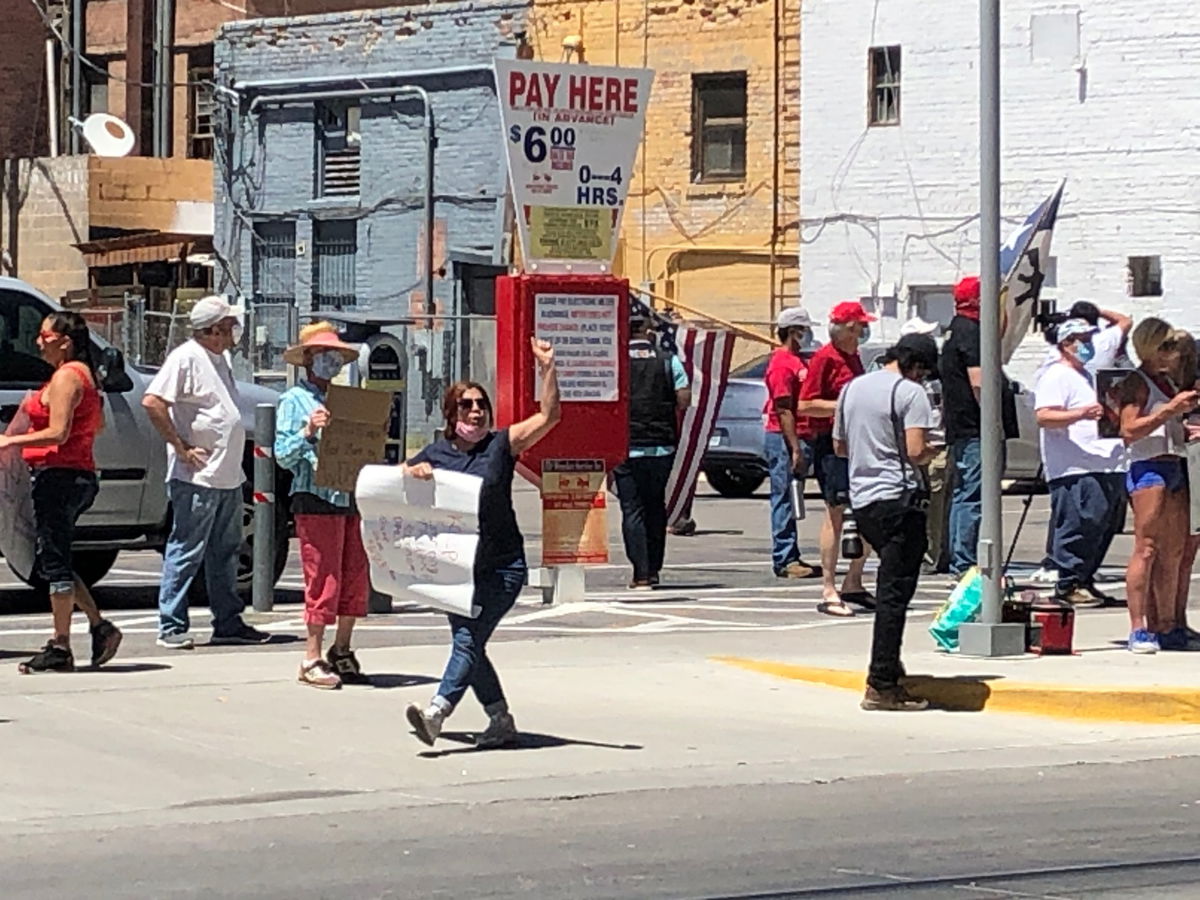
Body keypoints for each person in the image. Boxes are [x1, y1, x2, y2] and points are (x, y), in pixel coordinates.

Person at [404, 338, 560, 748]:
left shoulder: (500, 446)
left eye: (481, 405)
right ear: (451, 413)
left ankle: (437, 712)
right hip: (456, 570)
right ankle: (500, 719)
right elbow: (391, 487)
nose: (476, 411)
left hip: (501, 568)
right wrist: (412, 472)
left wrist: (547, 369)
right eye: (467, 405)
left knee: (469, 640)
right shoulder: (436, 453)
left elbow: (549, 415)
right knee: (471, 645)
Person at [142, 295, 271, 649]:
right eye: (229, 324)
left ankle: (228, 621)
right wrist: (180, 446)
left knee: (225, 550)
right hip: (197, 477)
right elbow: (153, 402)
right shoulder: (185, 358)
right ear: (213, 329)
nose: (234, 330)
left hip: (227, 476)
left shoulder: (221, 359)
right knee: (186, 548)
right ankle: (171, 624)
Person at [0, 312, 123, 672]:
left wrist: (11, 440)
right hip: (69, 474)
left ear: (64, 341)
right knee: (56, 559)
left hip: (61, 476)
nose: (38, 342)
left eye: (44, 335)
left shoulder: (69, 376)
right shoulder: (79, 376)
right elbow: (96, 425)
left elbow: (59, 433)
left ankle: (61, 645)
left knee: (53, 564)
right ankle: (100, 628)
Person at [833, 333, 939, 711]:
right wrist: (932, 452)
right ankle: (881, 681)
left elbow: (840, 447)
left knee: (889, 586)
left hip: (863, 499)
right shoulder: (911, 394)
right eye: (924, 372)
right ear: (916, 366)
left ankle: (890, 665)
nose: (924, 379)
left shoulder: (852, 389)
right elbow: (914, 450)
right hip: (898, 495)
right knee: (895, 594)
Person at [275, 322, 369, 689]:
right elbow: (282, 455)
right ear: (309, 359)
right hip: (315, 495)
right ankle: (311, 655)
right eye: (325, 354)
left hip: (348, 492)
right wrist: (309, 431)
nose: (332, 361)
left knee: (354, 571)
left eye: (336, 356)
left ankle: (342, 648)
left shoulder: (345, 398)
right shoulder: (292, 401)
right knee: (323, 574)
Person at [1034, 320, 1128, 609]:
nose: (1087, 344)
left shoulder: (1086, 375)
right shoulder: (1056, 376)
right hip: (1076, 466)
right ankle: (1069, 582)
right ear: (1066, 343)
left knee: (1105, 524)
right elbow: (1045, 416)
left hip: (1106, 462)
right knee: (1080, 523)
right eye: (1081, 339)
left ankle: (1084, 579)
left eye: (1089, 338)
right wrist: (1081, 414)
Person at [1116, 318, 1198, 653]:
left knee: (1176, 551)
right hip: (1148, 466)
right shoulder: (1137, 383)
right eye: (1164, 346)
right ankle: (1139, 627)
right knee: (1146, 547)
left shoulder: (1165, 381)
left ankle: (1170, 623)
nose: (1171, 353)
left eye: (1172, 347)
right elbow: (1129, 430)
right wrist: (1168, 412)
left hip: (1176, 461)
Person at [797, 300, 875, 615]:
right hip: (830, 444)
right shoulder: (824, 359)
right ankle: (829, 586)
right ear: (845, 328)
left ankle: (853, 581)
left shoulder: (853, 358)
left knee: (867, 510)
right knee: (836, 513)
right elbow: (805, 404)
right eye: (857, 326)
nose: (862, 331)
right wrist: (844, 405)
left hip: (856, 443)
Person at [941, 276, 1019, 577]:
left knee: (968, 492)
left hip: (966, 427)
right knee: (973, 494)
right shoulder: (970, 333)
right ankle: (964, 562)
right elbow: (979, 382)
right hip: (975, 429)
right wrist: (993, 421)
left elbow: (997, 336)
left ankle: (963, 557)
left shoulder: (957, 329)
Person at [612, 312, 691, 589]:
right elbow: (684, 399)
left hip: (626, 446)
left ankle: (640, 573)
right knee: (655, 507)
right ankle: (654, 569)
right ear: (647, 332)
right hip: (661, 445)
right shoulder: (668, 360)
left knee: (631, 510)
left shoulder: (616, 362)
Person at [763, 306, 820, 580]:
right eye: (804, 330)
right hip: (783, 436)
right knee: (783, 495)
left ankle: (792, 554)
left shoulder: (799, 360)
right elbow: (783, 408)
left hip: (803, 434)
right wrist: (794, 446)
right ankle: (784, 558)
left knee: (793, 493)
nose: (807, 334)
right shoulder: (781, 363)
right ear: (793, 332)